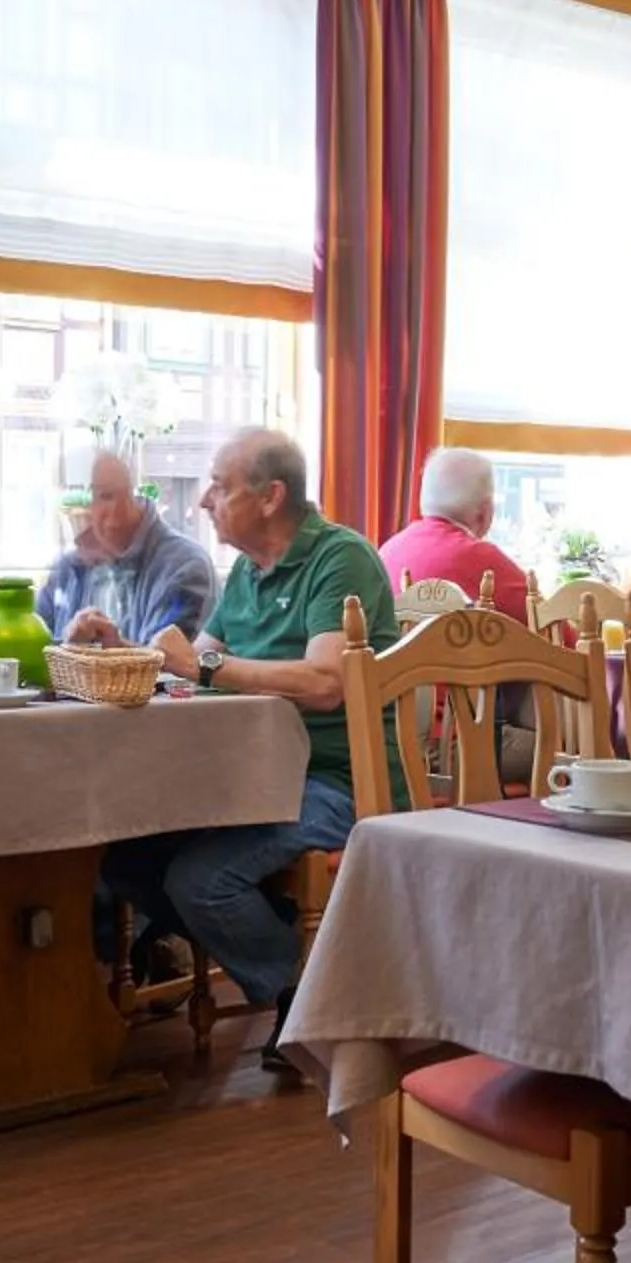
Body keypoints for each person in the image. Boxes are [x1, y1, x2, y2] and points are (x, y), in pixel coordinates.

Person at [103, 429, 399, 1072]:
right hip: (255, 776)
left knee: (200, 880)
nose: (204, 500)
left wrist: (204, 667)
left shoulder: (340, 559)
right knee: (123, 857)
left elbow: (326, 683)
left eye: (219, 485)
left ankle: (313, 1002)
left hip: (341, 779)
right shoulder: (246, 572)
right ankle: (305, 958)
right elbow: (191, 667)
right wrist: (118, 648)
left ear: (270, 497)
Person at [380, 446, 535, 782]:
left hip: (391, 738)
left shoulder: (388, 550)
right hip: (453, 742)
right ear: (485, 513)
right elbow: (558, 637)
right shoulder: (480, 559)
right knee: (566, 746)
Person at [46, 448, 221, 650]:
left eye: (105, 496)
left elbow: (173, 662)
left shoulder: (185, 567)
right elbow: (35, 646)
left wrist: (103, 648)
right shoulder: (67, 568)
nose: (80, 515)